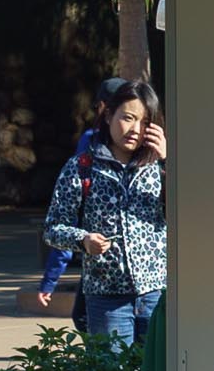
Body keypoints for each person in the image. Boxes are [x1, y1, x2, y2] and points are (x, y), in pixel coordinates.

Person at [42, 77, 168, 341]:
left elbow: (192, 213)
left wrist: (170, 161)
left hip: (156, 294)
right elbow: (53, 229)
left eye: (145, 122)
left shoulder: (159, 167)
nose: (135, 129)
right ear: (108, 115)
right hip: (106, 297)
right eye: (128, 118)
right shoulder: (81, 166)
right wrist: (83, 240)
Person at [35, 79, 124, 318]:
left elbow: (72, 215)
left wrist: (50, 281)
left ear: (103, 107)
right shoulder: (150, 149)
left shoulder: (90, 143)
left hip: (105, 274)